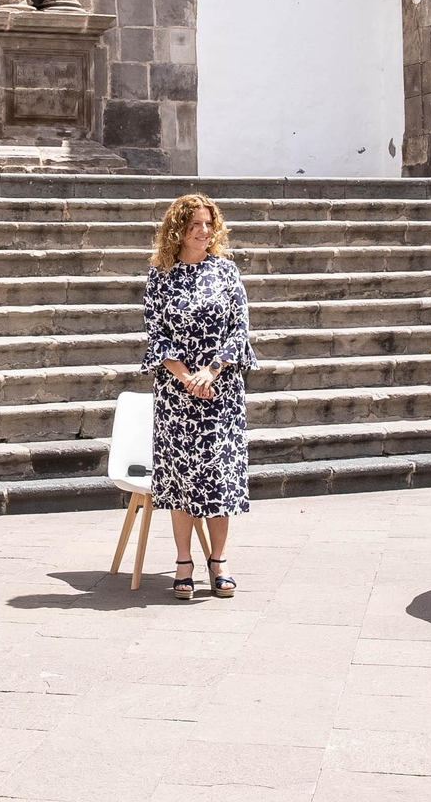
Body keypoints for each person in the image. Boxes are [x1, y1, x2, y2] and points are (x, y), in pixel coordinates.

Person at [142, 194, 256, 600]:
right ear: (178, 230)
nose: (204, 231)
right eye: (195, 224)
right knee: (182, 479)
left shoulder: (226, 272)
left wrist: (210, 371)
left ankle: (219, 562)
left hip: (220, 391)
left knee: (219, 477)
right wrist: (186, 376)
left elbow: (239, 331)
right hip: (176, 396)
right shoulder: (160, 276)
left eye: (209, 223)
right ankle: (183, 563)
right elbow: (157, 335)